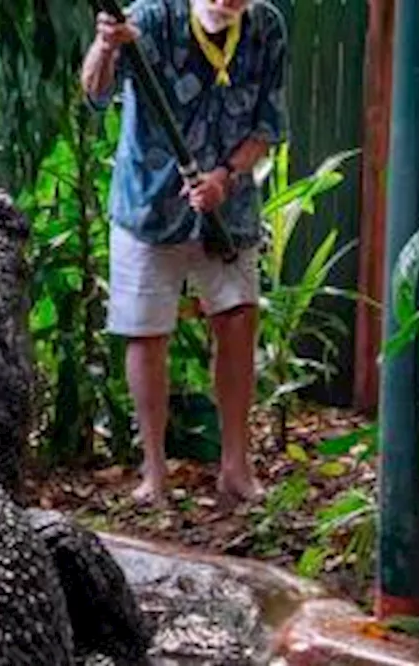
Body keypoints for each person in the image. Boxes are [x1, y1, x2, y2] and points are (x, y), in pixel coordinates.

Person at [80, 0, 288, 503]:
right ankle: (153, 474)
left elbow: (268, 125)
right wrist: (106, 45)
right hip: (149, 205)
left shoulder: (266, 28)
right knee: (146, 332)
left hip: (226, 209)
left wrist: (226, 176)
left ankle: (236, 469)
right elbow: (94, 93)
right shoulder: (148, 19)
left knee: (238, 320)